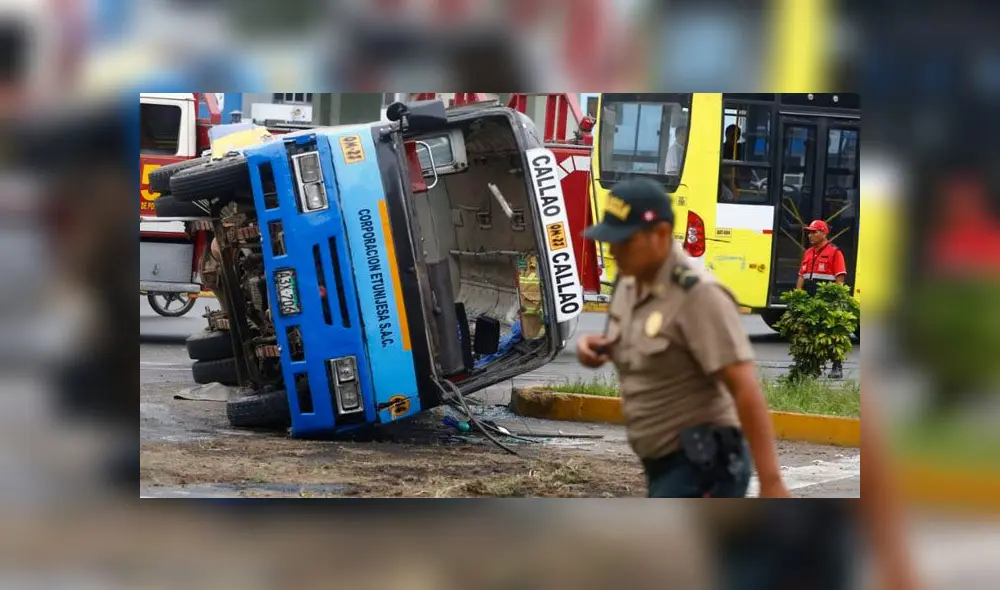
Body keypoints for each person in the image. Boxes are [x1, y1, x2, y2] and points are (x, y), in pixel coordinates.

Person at [578, 178, 790, 498]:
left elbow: (744, 387)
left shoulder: (698, 294)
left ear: (661, 234)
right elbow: (641, 343)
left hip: (704, 468)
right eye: (611, 241)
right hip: (661, 466)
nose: (613, 251)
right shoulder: (628, 282)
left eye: (625, 241)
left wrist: (772, 483)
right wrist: (598, 348)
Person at [796, 219, 849, 379]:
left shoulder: (835, 252)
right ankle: (811, 367)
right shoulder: (808, 252)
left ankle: (837, 367)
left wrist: (837, 300)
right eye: (809, 232)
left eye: (814, 232)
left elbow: (840, 278)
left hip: (828, 299)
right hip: (809, 298)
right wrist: (797, 295)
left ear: (824, 233)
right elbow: (802, 275)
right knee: (809, 333)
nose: (810, 235)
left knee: (831, 333)